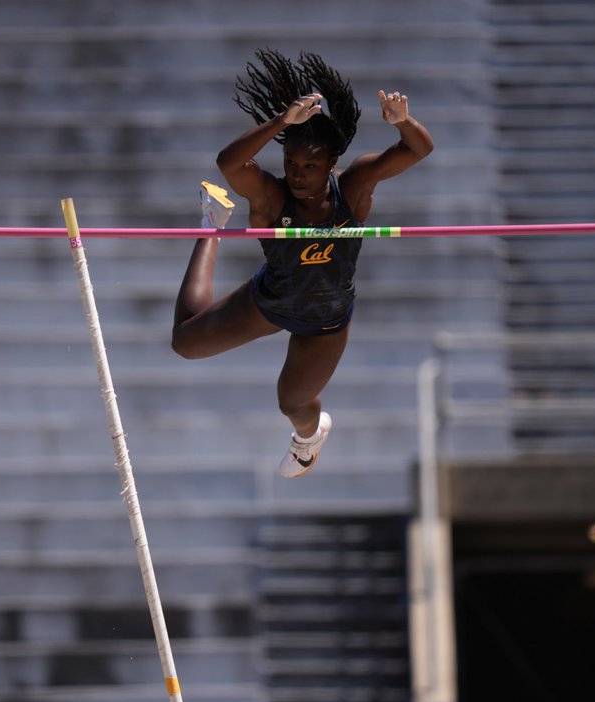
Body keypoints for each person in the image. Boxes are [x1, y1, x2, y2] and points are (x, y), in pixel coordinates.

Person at [170, 49, 435, 478]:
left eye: (310, 165)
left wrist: (401, 121)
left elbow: (419, 149)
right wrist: (280, 123)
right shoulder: (272, 198)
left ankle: (308, 440)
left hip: (325, 322)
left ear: (332, 164)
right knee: (185, 343)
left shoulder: (355, 185)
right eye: (291, 162)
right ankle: (212, 224)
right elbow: (228, 164)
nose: (297, 173)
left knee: (292, 402)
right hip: (271, 300)